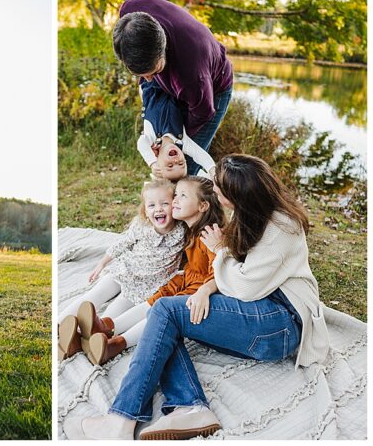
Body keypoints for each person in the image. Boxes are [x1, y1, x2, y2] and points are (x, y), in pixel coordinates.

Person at [70, 154, 329, 440]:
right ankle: (189, 406)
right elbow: (237, 269)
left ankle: (120, 419)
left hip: (278, 323)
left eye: (219, 190)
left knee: (167, 311)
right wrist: (164, 155)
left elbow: (243, 286)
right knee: (168, 322)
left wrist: (219, 252)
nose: (215, 191)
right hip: (260, 311)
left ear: (237, 195)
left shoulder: (280, 229)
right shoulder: (254, 210)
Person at [85, 176, 224, 365]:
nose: (175, 201)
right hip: (184, 281)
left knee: (162, 310)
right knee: (156, 299)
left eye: (182, 196)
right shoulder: (189, 227)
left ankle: (117, 343)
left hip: (200, 290)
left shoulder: (210, 234)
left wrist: (205, 291)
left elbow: (220, 271)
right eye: (175, 196)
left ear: (203, 206)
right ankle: (106, 327)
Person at [57, 179, 184, 360]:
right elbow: (121, 244)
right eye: (152, 205)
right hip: (124, 269)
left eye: (165, 204)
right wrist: (102, 264)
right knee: (95, 296)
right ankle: (58, 325)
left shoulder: (182, 230)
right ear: (146, 211)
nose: (159, 209)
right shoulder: (141, 226)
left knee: (109, 320)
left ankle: (85, 343)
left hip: (145, 287)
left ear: (175, 206)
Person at [112, 0, 234, 152]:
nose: (148, 80)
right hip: (182, 71)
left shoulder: (191, 75)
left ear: (164, 49)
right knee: (164, 157)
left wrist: (171, 140)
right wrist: (159, 134)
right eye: (141, 75)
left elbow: (203, 112)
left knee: (184, 160)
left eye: (154, 72)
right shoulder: (130, 14)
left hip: (212, 91)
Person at [137, 80, 216, 180]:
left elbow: (141, 143)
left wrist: (152, 162)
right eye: (181, 163)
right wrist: (212, 169)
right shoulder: (183, 142)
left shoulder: (152, 141)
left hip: (152, 86)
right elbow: (200, 155)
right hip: (174, 86)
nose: (175, 161)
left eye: (170, 166)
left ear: (158, 162)